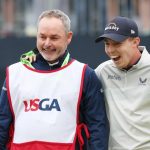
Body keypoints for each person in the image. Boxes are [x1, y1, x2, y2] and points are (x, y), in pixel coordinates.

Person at [0, 9, 109, 150]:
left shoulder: (85, 74)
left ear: (68, 37)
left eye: (54, 38)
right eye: (42, 37)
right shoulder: (15, 72)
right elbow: (2, 124)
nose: (47, 43)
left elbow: (97, 129)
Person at [95, 16, 150, 149]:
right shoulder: (103, 71)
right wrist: (37, 60)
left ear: (135, 42)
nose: (111, 50)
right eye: (107, 44)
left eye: (117, 43)